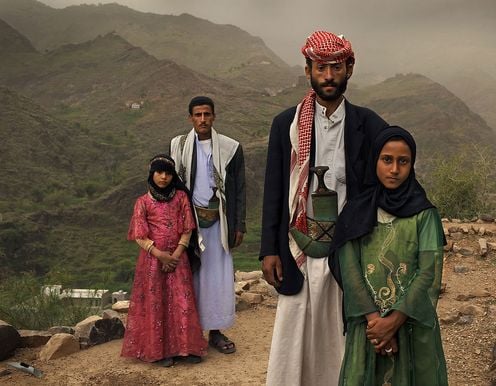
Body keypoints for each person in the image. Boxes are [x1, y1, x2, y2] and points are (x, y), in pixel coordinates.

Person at [260, 31, 388, 386]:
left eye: (336, 67)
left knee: (340, 337)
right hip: (297, 244)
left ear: (349, 68)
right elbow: (274, 190)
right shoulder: (286, 124)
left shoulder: (368, 124)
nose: (328, 76)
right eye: (321, 68)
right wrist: (268, 250)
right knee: (294, 332)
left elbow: (387, 182)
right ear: (308, 71)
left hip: (347, 249)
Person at [331, 127, 448, 385]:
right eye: (387, 160)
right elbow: (350, 270)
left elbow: (428, 271)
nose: (394, 169)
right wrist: (377, 323)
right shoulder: (356, 212)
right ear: (375, 161)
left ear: (411, 164)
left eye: (403, 161)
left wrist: (394, 321)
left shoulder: (425, 214)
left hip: (410, 324)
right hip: (368, 327)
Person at [170, 96, 246, 355]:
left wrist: (239, 225)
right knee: (190, 276)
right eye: (198, 115)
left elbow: (239, 189)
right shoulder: (178, 146)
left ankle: (215, 331)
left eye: (207, 114)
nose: (202, 119)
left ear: (214, 116)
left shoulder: (230, 147)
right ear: (190, 117)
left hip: (220, 222)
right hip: (190, 224)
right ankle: (189, 333)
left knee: (217, 278)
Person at [121, 154, 207, 367]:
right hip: (152, 262)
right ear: (152, 174)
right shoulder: (142, 202)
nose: (164, 177)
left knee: (182, 302)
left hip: (178, 260)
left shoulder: (181, 198)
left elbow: (187, 228)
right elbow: (139, 236)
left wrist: (176, 255)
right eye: (159, 172)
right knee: (156, 304)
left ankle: (186, 348)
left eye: (168, 173)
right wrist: (160, 255)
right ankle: (158, 352)